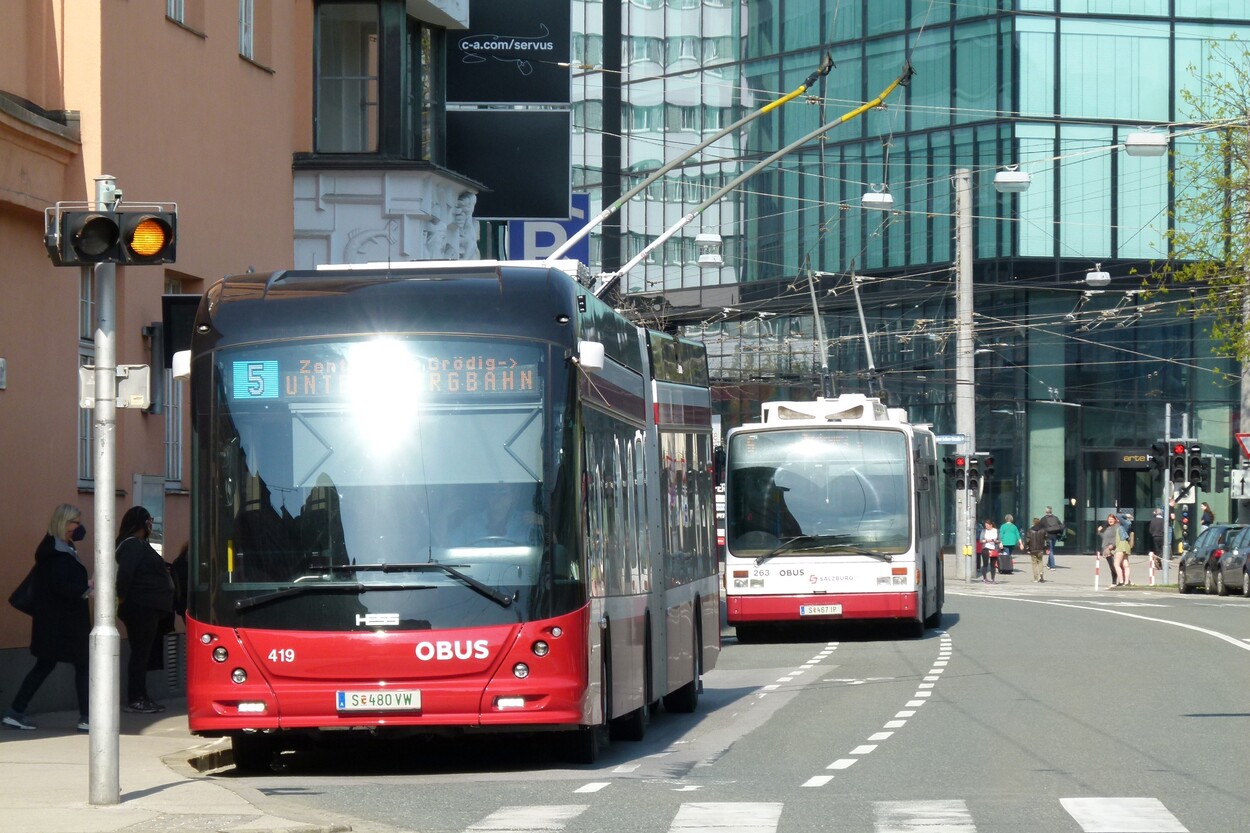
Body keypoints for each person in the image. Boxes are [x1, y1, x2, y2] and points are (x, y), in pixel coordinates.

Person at [4, 504, 91, 732]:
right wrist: (86, 588)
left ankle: (15, 711)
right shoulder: (56, 552)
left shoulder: (60, 548)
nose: (79, 527)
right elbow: (62, 586)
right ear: (64, 523)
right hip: (63, 624)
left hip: (56, 623)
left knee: (45, 665)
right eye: (75, 522)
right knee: (82, 665)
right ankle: (87, 718)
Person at [115, 506, 175, 714]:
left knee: (143, 653)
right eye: (149, 520)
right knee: (140, 654)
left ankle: (141, 696)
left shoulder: (140, 544)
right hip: (141, 608)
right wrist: (122, 597)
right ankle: (136, 698)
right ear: (139, 522)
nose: (151, 524)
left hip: (148, 607)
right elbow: (125, 574)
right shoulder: (131, 545)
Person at [1114, 509, 1133, 586]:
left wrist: (1126, 515)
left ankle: (1121, 581)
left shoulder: (1125, 524)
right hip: (1126, 545)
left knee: (1116, 564)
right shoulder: (1127, 524)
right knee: (1126, 564)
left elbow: (1118, 515)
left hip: (1122, 545)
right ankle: (1126, 582)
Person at [1098, 514, 1119, 586]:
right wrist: (1099, 532)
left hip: (1112, 550)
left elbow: (1117, 538)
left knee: (1114, 566)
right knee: (1112, 566)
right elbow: (1105, 538)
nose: (1110, 520)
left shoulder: (1116, 527)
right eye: (1109, 519)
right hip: (1106, 550)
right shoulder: (1108, 528)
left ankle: (1116, 582)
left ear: (1115, 520)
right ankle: (1115, 582)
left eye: (1112, 519)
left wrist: (1112, 545)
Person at [1025, 517, 1048, 582]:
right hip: (1040, 549)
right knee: (1040, 561)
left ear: (1033, 522)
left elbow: (1028, 540)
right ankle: (1041, 572)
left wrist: (1027, 547)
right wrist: (1046, 547)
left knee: (1034, 563)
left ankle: (1036, 578)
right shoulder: (1043, 530)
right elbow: (1046, 538)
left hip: (1032, 549)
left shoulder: (1030, 530)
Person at [980, 519, 1000, 583]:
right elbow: (981, 540)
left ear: (991, 525)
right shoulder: (984, 531)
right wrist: (986, 540)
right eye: (985, 525)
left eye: (987, 525)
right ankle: (985, 578)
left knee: (993, 565)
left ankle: (993, 578)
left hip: (994, 549)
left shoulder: (996, 531)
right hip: (986, 548)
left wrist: (995, 541)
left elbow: (999, 540)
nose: (986, 527)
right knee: (985, 564)